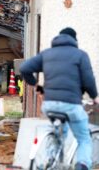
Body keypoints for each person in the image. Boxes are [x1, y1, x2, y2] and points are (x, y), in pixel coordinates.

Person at [20, 27, 99, 170]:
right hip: (71, 104)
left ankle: (50, 161)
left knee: (60, 133)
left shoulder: (46, 54)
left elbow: (25, 68)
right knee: (84, 138)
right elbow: (88, 81)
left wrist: (36, 86)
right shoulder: (80, 55)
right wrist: (94, 97)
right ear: (74, 40)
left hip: (49, 104)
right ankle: (81, 166)